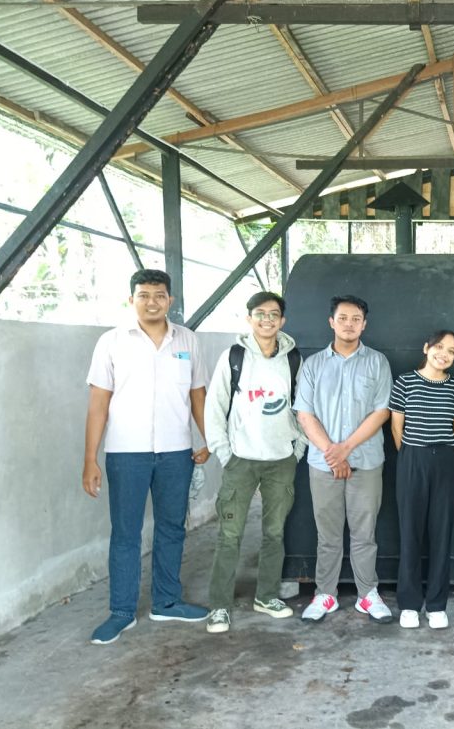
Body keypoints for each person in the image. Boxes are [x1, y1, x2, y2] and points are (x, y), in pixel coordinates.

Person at [82, 268, 210, 645]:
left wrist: (209, 439)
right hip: (126, 453)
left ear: (170, 300)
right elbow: (98, 404)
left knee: (172, 527)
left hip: (176, 452)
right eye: (144, 295)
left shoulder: (187, 340)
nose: (152, 302)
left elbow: (197, 396)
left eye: (159, 295)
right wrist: (90, 459)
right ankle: (121, 612)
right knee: (126, 533)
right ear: (131, 299)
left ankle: (166, 602)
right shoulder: (111, 342)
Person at [203, 292, 308, 634]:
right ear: (249, 318)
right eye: (260, 313)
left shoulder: (294, 359)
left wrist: (298, 449)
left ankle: (266, 596)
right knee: (229, 534)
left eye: (273, 314)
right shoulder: (233, 357)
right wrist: (224, 452)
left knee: (274, 533)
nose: (267, 320)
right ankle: (219, 605)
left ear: (283, 321)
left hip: (281, 460)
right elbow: (215, 406)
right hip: (241, 460)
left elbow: (304, 407)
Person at [295, 295, 393, 623]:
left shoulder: (377, 362)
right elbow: (304, 414)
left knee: (365, 533)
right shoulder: (313, 365)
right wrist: (333, 454)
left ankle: (367, 594)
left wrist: (345, 449)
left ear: (364, 325)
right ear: (331, 322)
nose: (349, 324)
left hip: (366, 462)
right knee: (328, 534)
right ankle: (326, 594)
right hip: (323, 464)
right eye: (343, 318)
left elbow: (381, 411)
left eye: (355, 319)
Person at [390, 330, 454, 631]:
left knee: (441, 533)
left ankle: (436, 605)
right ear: (426, 348)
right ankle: (409, 604)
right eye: (439, 347)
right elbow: (397, 428)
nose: (443, 354)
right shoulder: (405, 382)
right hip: (412, 459)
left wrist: (441, 454)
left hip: (445, 461)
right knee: (410, 532)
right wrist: (415, 455)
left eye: (451, 351)